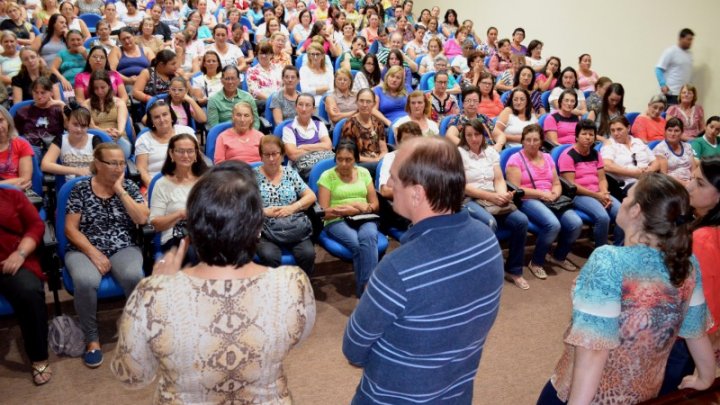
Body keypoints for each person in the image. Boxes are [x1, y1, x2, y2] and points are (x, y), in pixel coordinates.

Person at [111, 160, 316, 404]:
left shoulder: (153, 293)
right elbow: (297, 337)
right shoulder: (292, 283)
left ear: (193, 229)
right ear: (257, 227)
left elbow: (133, 376)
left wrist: (155, 289)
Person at [343, 135, 503, 403]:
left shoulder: (396, 269)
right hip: (456, 392)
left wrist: (374, 298)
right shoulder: (487, 239)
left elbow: (353, 349)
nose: (390, 184)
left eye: (394, 178)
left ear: (417, 193)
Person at [536, 173, 715, 405]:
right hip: (644, 394)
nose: (623, 200)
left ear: (636, 210)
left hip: (583, 394)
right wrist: (706, 376)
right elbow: (695, 329)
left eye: (627, 195)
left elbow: (593, 350)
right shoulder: (688, 264)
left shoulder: (609, 260)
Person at [65, 143, 148, 368]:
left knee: (133, 275)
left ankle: (137, 331)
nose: (119, 167)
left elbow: (141, 219)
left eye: (122, 162)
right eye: (112, 163)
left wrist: (120, 190)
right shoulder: (80, 189)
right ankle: (92, 339)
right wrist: (93, 253)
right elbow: (70, 229)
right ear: (98, 164)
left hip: (123, 245)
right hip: (85, 247)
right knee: (85, 280)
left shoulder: (129, 187)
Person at [660, 156, 720, 395]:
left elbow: (699, 303)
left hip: (683, 338)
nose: (689, 187)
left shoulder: (703, 240)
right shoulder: (705, 228)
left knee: (666, 391)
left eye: (701, 183)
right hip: (699, 336)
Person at [459, 118, 530, 290]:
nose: (473, 139)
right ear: (464, 136)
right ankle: (484, 272)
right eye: (469, 135)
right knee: (490, 223)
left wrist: (502, 195)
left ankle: (514, 270)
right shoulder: (458, 153)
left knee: (521, 220)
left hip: (491, 197)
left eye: (477, 134)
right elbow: (463, 187)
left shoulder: (490, 152)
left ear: (483, 135)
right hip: (469, 199)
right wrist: (491, 198)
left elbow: (498, 179)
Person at [506, 124, 583, 279]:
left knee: (576, 223)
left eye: (536, 139)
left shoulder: (547, 157)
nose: (532, 143)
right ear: (522, 141)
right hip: (528, 199)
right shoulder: (515, 159)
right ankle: (536, 262)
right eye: (528, 140)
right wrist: (542, 194)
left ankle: (558, 256)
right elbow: (517, 190)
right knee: (553, 225)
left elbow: (556, 182)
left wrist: (555, 193)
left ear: (541, 141)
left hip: (551, 198)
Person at [0, 185, 51, 385]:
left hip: (13, 261)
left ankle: (39, 357)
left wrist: (20, 253)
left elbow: (36, 226)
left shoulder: (11, 195)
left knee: (29, 292)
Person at [318, 140, 380, 297]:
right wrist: (350, 209)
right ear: (335, 158)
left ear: (356, 159)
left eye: (349, 160)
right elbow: (324, 212)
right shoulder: (327, 176)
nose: (344, 164)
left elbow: (375, 204)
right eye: (340, 159)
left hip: (364, 215)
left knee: (369, 236)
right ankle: (367, 292)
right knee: (357, 245)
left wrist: (358, 207)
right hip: (336, 220)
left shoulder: (364, 173)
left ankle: (367, 288)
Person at [255, 136, 317, 275]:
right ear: (261, 156)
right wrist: (265, 211)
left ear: (282, 155)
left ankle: (302, 289)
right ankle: (275, 292)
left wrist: (293, 207)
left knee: (308, 254)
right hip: (265, 227)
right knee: (269, 256)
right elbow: (243, 207)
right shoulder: (253, 177)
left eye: (275, 154)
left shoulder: (290, 173)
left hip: (292, 224)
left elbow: (311, 196)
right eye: (267, 154)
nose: (271, 159)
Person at [559, 120, 624, 248]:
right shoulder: (568, 156)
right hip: (579, 195)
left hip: (599, 192)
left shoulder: (596, 154)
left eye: (591, 134)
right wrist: (597, 195)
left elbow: (602, 179)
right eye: (584, 134)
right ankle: (601, 253)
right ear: (577, 136)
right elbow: (572, 186)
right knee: (603, 217)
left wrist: (604, 192)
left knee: (623, 213)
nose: (588, 137)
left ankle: (618, 249)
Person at [148, 134, 208, 263]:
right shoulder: (162, 184)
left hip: (205, 231)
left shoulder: (206, 180)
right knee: (194, 255)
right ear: (171, 153)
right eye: (180, 151)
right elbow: (155, 223)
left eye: (190, 151)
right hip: (176, 235)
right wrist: (179, 214)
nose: (186, 156)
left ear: (196, 153)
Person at [135, 100, 195, 188]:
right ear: (151, 121)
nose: (162, 120)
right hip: (157, 184)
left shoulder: (187, 131)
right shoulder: (144, 140)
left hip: (188, 182)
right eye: (156, 117)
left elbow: (197, 159)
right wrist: (154, 188)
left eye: (165, 114)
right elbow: (142, 170)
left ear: (171, 116)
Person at [601, 116, 663, 197]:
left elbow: (655, 162)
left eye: (619, 129)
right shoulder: (610, 144)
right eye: (612, 130)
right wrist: (633, 173)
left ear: (628, 128)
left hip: (648, 179)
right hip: (627, 186)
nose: (615, 133)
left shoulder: (638, 142)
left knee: (667, 187)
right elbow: (606, 165)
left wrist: (648, 172)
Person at [41, 105, 102, 179]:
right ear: (67, 122)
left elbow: (103, 163)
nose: (79, 129)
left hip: (92, 183)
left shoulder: (94, 140)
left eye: (83, 126)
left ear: (88, 127)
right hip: (70, 185)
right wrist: (77, 171)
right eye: (75, 125)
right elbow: (45, 165)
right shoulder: (61, 139)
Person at [281, 93, 332, 176]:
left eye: (308, 105)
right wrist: (319, 148)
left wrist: (304, 147)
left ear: (313, 109)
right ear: (296, 107)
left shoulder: (320, 125)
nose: (303, 109)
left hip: (324, 168)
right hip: (300, 172)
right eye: (300, 105)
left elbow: (328, 147)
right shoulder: (288, 129)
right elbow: (293, 154)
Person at [341, 88, 388, 176]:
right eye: (361, 101)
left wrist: (380, 159)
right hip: (359, 164)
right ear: (356, 102)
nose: (364, 105)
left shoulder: (378, 122)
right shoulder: (350, 124)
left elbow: (384, 150)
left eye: (368, 101)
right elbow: (348, 153)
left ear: (374, 104)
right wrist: (375, 161)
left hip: (378, 161)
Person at [14, 77, 65, 155]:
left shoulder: (57, 110)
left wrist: (62, 104)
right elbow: (13, 132)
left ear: (51, 92)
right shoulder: (23, 111)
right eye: (36, 92)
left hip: (54, 148)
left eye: (43, 92)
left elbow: (68, 127)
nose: (39, 96)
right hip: (31, 148)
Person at [445, 86, 505, 151]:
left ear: (479, 103)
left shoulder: (483, 118)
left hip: (489, 152)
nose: (472, 104)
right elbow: (450, 136)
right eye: (468, 100)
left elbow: (500, 135)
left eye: (475, 101)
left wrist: (499, 144)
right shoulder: (458, 119)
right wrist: (471, 148)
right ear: (463, 103)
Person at [654, 117, 698, 185]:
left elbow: (694, 169)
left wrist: (693, 182)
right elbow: (664, 176)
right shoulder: (660, 149)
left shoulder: (687, 146)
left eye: (676, 131)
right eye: (669, 130)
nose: (673, 134)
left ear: (682, 132)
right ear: (665, 132)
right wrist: (686, 184)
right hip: (672, 184)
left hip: (690, 182)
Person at [656, 28, 694, 105]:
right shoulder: (671, 51)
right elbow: (658, 69)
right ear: (680, 38)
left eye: (691, 40)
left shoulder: (689, 54)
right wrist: (662, 84)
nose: (690, 42)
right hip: (672, 93)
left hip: (684, 94)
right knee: (671, 117)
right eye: (688, 39)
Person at [0, 105, 32, 189]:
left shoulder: (22, 144)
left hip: (14, 192)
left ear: (8, 121)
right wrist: (12, 183)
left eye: (1, 120)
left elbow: (25, 179)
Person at [245, 41, 282, 111]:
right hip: (263, 103)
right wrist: (272, 100)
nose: (263, 56)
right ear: (257, 55)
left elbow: (284, 86)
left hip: (279, 101)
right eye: (261, 53)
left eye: (266, 53)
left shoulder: (279, 68)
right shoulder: (251, 71)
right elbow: (254, 92)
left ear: (271, 54)